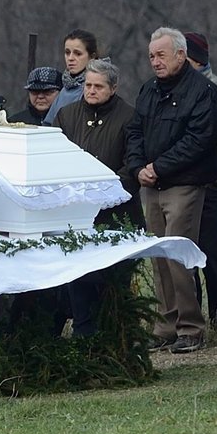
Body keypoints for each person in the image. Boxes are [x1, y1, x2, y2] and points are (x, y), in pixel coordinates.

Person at [125, 27, 217, 354]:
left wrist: (160, 167)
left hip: (185, 184)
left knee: (178, 256)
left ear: (181, 55)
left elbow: (199, 140)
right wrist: (139, 167)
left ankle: (191, 327)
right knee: (158, 258)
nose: (155, 61)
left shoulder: (203, 92)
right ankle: (165, 325)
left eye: (161, 55)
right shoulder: (148, 90)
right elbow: (135, 131)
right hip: (150, 185)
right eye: (152, 55)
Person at [53, 59, 144, 335]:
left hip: (118, 213)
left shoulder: (129, 117)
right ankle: (84, 333)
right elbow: (55, 158)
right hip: (77, 213)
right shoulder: (66, 115)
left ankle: (116, 334)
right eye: (88, 85)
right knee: (79, 276)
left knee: (113, 278)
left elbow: (133, 163)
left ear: (113, 88)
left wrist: (109, 192)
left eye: (98, 86)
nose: (91, 91)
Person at [183, 32, 217, 328]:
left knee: (212, 252)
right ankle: (193, 315)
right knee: (186, 255)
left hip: (213, 186)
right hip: (186, 187)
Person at [44, 29, 98, 125]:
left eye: (78, 53)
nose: (70, 58)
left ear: (92, 57)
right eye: (67, 52)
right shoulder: (66, 87)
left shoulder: (98, 87)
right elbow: (48, 124)